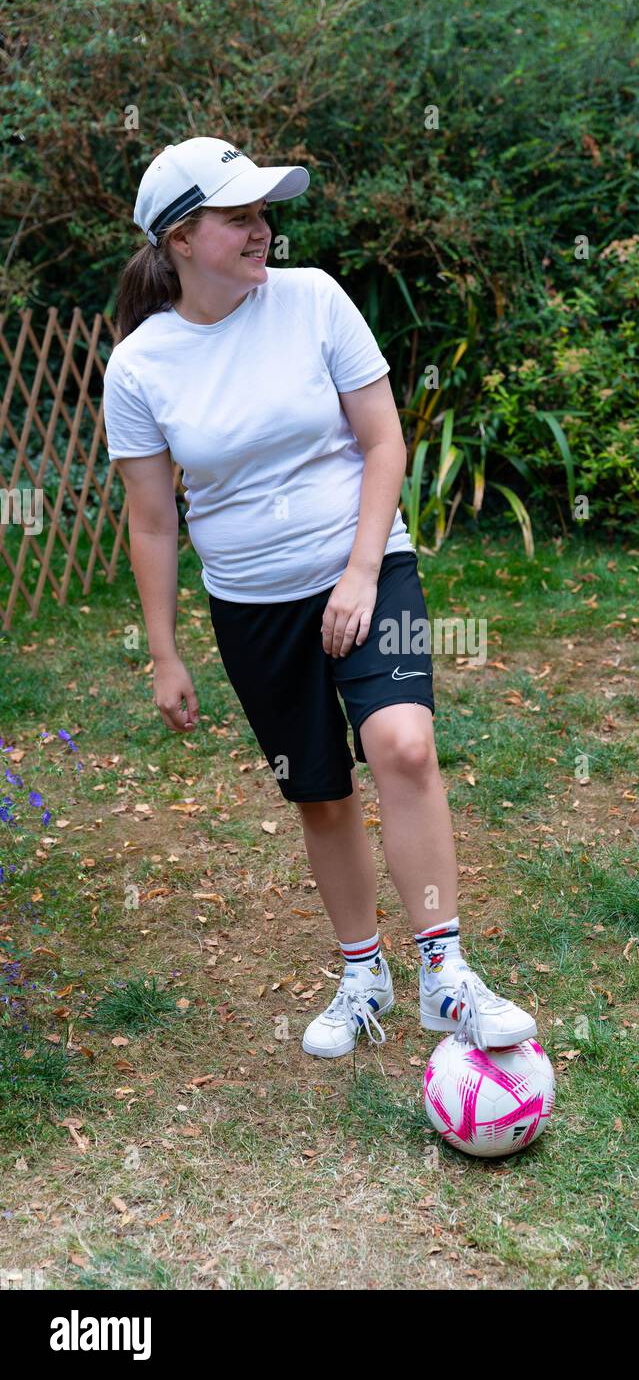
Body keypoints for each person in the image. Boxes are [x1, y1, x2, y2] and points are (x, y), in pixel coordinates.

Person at [102, 136, 536, 1059]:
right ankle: (361, 973)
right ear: (179, 239)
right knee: (320, 790)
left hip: (369, 565)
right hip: (254, 606)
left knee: (403, 744)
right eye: (239, 217)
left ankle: (445, 974)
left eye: (265, 212)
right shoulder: (140, 367)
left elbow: (384, 444)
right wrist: (165, 650)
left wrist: (362, 572)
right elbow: (151, 520)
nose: (263, 230)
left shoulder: (315, 300)